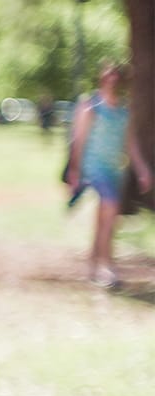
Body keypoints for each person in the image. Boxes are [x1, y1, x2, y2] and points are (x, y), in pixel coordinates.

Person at [65, 61, 153, 287]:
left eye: (116, 76)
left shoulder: (125, 110)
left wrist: (142, 169)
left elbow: (130, 144)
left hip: (115, 170)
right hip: (94, 168)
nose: (112, 80)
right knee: (111, 207)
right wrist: (74, 170)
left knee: (105, 218)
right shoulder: (90, 105)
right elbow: (78, 140)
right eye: (108, 75)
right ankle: (107, 267)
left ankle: (94, 265)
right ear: (102, 78)